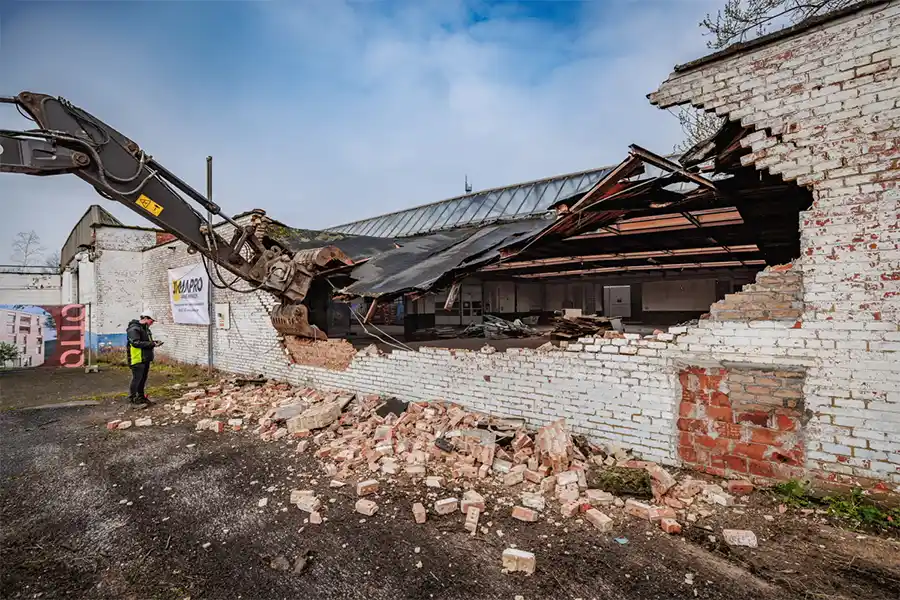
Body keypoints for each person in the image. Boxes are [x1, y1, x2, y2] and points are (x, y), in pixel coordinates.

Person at [126, 311, 163, 408]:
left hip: (145, 358)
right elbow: (136, 343)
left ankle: (141, 397)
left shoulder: (145, 329)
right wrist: (152, 344)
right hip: (137, 358)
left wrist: (154, 342)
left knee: (142, 379)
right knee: (137, 379)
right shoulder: (134, 329)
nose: (152, 323)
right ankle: (132, 400)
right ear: (146, 318)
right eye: (151, 321)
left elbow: (145, 341)